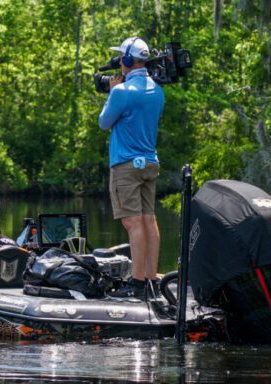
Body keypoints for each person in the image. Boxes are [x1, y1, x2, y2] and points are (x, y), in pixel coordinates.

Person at [98, 37, 165, 299]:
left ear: (126, 60)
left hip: (126, 164)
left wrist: (114, 89)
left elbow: (105, 122)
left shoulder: (121, 92)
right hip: (150, 163)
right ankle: (151, 280)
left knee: (132, 222)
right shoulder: (157, 91)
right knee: (149, 220)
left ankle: (136, 285)